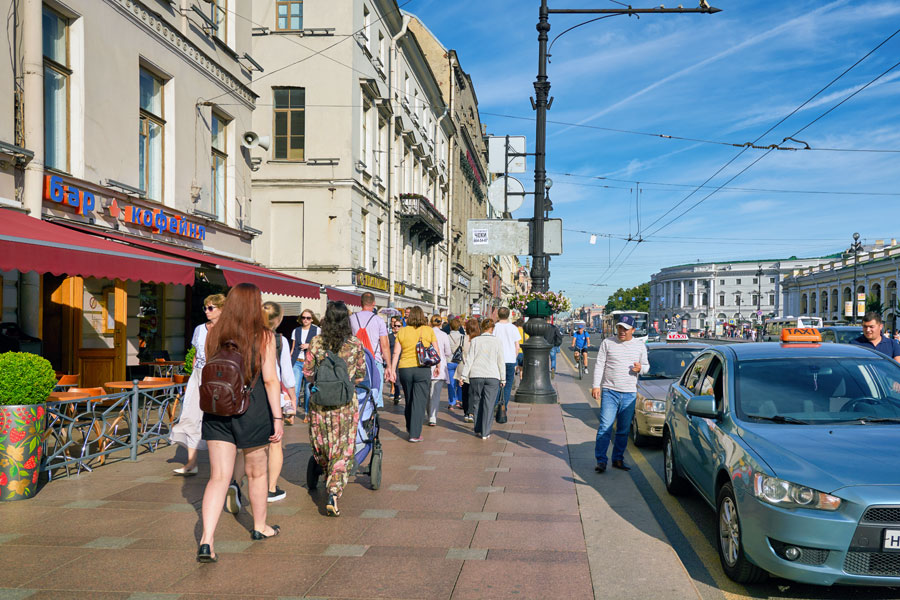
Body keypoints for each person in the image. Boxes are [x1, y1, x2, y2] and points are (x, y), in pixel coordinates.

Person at [197, 283, 283, 563]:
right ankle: (260, 527)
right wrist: (278, 417)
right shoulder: (264, 336)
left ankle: (206, 541)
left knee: (218, 477)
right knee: (257, 473)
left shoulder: (214, 332)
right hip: (252, 409)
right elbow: (270, 379)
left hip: (217, 408)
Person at [303, 301, 367, 517]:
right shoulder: (355, 344)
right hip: (345, 405)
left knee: (322, 444)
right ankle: (333, 491)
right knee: (343, 448)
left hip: (320, 404)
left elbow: (308, 372)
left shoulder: (316, 342)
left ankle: (325, 469)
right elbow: (360, 375)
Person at [171, 293, 224, 475]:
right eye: (205, 307)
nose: (207, 311)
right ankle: (191, 463)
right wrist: (193, 375)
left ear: (222, 309)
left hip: (219, 377)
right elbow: (194, 354)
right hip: (199, 375)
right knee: (191, 415)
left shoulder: (228, 330)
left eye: (211, 308)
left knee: (219, 419)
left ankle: (224, 463)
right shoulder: (200, 329)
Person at [591, 315, 649, 473]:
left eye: (625, 329)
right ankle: (601, 461)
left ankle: (618, 459)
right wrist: (596, 386)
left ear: (633, 330)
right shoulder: (607, 343)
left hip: (629, 393)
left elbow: (646, 366)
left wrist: (640, 369)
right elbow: (599, 364)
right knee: (605, 427)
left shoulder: (639, 346)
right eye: (619, 328)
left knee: (623, 430)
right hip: (610, 391)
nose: (621, 331)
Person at [262, 301, 297, 503]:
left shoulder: (246, 336)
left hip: (247, 394)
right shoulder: (278, 341)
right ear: (279, 320)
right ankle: (271, 489)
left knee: (247, 447)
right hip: (272, 395)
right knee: (275, 442)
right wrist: (292, 397)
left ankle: (235, 483)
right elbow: (286, 375)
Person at [390, 306, 436, 442]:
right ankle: (414, 434)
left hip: (405, 369)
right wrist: (438, 365)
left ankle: (410, 428)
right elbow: (435, 350)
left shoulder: (402, 331)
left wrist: (392, 369)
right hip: (422, 369)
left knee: (409, 399)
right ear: (422, 316)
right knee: (419, 401)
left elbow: (396, 352)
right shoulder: (428, 330)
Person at [459, 318, 505, 439]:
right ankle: (485, 432)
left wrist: (463, 376)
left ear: (482, 328)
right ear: (492, 328)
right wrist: (503, 378)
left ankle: (477, 428)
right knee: (489, 404)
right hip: (492, 375)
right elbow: (501, 361)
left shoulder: (475, 341)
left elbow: (470, 359)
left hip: (476, 375)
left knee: (476, 402)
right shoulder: (498, 342)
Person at [350, 292, 391, 408]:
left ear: (360, 303)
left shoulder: (351, 319)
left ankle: (359, 420)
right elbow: (385, 345)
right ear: (374, 303)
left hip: (355, 362)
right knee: (374, 394)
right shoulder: (378, 320)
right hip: (374, 361)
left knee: (357, 394)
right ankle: (371, 419)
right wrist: (389, 366)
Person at [290, 309, 318, 423]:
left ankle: (307, 413)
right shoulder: (296, 330)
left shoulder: (317, 330)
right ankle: (291, 414)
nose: (305, 320)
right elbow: (293, 348)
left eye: (308, 318)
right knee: (295, 388)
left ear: (312, 319)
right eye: (303, 317)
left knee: (307, 389)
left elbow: (319, 347)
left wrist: (309, 345)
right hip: (297, 361)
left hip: (310, 362)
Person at [493, 308, 520, 409]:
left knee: (496, 384)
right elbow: (517, 346)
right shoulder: (513, 328)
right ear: (508, 315)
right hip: (510, 360)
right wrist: (514, 357)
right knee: (508, 385)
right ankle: (503, 407)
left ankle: (495, 404)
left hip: (496, 360)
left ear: (498, 315)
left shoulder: (494, 327)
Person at [428, 315, 453, 425]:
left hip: (426, 365)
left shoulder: (426, 333)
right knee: (435, 394)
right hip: (439, 365)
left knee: (427, 393)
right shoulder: (443, 335)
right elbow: (448, 352)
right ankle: (432, 416)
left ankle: (428, 412)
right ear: (441, 323)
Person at [454, 318, 480, 422]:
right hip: (475, 368)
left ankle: (466, 412)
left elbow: (454, 350)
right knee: (473, 392)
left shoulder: (462, 339)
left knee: (464, 391)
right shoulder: (478, 340)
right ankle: (471, 412)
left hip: (463, 367)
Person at [446, 318, 465, 409]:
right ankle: (459, 400)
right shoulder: (462, 337)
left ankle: (451, 402)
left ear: (450, 326)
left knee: (451, 383)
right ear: (459, 327)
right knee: (460, 382)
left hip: (449, 361)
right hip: (460, 362)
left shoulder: (447, 336)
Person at [386, 316, 404, 404]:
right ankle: (396, 393)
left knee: (399, 378)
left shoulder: (404, 336)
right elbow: (386, 348)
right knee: (393, 378)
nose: (396, 327)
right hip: (392, 360)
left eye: (398, 326)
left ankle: (397, 393)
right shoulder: (390, 337)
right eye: (395, 325)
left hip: (402, 359)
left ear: (402, 327)